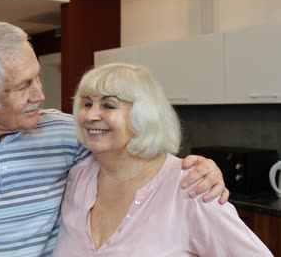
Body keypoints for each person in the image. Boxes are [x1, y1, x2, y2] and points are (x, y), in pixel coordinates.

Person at [0, 21, 229, 257]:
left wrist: (198, 168)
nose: (40, 94)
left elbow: (134, 156)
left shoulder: (67, 132)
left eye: (36, 77)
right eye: (23, 86)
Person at [52, 63, 272, 256]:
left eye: (109, 105)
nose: (90, 116)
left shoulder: (191, 186)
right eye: (87, 103)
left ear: (143, 114)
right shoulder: (77, 177)